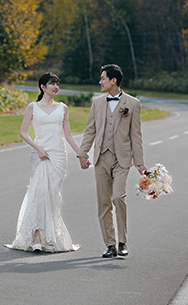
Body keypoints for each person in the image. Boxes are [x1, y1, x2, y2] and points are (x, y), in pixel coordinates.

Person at [6, 72, 81, 253]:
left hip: (58, 155)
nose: (56, 87)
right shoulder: (33, 107)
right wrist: (38, 148)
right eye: (52, 84)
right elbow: (23, 132)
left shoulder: (63, 108)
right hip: (40, 154)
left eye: (57, 84)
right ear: (42, 87)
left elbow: (68, 135)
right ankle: (37, 237)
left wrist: (81, 154)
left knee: (52, 195)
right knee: (39, 193)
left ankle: (51, 237)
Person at [76, 63, 146, 258]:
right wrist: (83, 153)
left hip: (122, 159)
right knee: (103, 202)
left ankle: (123, 241)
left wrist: (139, 163)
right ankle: (110, 244)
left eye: (103, 79)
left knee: (118, 197)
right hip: (100, 158)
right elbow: (90, 130)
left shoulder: (133, 104)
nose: (100, 82)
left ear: (113, 80)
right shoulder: (97, 103)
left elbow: (136, 136)